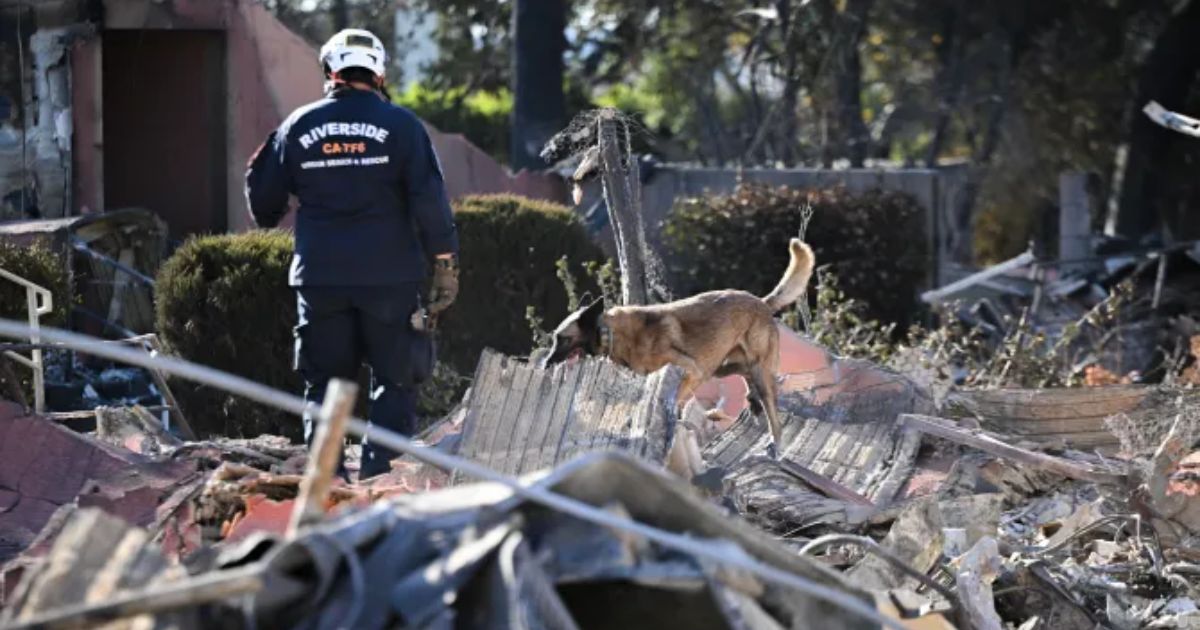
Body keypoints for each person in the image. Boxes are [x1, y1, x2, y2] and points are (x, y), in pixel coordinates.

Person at [244, 28, 459, 478]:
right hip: (390, 278)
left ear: (329, 71)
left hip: (320, 278)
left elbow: (264, 206)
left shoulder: (297, 126)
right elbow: (430, 202)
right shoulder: (403, 126)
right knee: (395, 383)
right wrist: (444, 263)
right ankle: (382, 484)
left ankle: (325, 486)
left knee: (324, 387)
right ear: (379, 73)